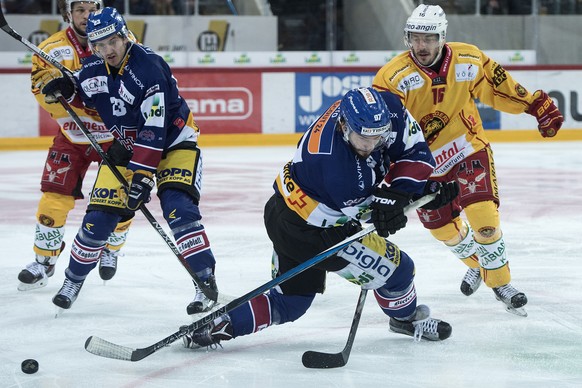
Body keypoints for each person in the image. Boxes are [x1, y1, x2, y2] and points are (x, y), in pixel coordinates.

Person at [180, 86, 459, 349]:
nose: (372, 144)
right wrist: (419, 194)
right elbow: (378, 214)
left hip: (285, 211)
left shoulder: (387, 109)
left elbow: (413, 151)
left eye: (379, 136)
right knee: (400, 271)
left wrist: (419, 188)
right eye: (364, 137)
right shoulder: (338, 168)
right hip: (314, 234)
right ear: (344, 126)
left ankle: (219, 326)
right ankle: (404, 319)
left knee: (291, 303)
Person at [373, 4, 564, 315]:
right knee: (444, 231)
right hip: (424, 164)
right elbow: (386, 133)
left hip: (467, 147)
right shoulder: (393, 77)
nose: (421, 46)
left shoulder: (468, 59)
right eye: (414, 38)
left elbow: (497, 88)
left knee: (484, 217)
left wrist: (533, 104)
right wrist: (389, 183)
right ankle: (479, 264)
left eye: (429, 38)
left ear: (442, 37)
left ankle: (501, 284)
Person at [37, 7, 219, 315]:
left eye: (112, 42)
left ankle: (204, 280)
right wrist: (67, 88)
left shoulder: (149, 68)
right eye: (98, 44)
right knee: (98, 221)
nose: (106, 50)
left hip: (174, 143)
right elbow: (86, 90)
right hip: (127, 147)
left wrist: (142, 177)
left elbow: (154, 127)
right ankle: (73, 280)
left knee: (180, 210)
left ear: (124, 37)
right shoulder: (95, 66)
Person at [18, 0, 133, 292]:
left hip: (115, 136)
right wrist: (56, 89)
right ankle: (44, 261)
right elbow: (40, 87)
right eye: (80, 9)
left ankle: (111, 248)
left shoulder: (123, 41)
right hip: (73, 135)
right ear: (68, 13)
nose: (87, 15)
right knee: (53, 197)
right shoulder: (51, 49)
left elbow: (133, 83)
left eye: (92, 8)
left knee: (122, 198)